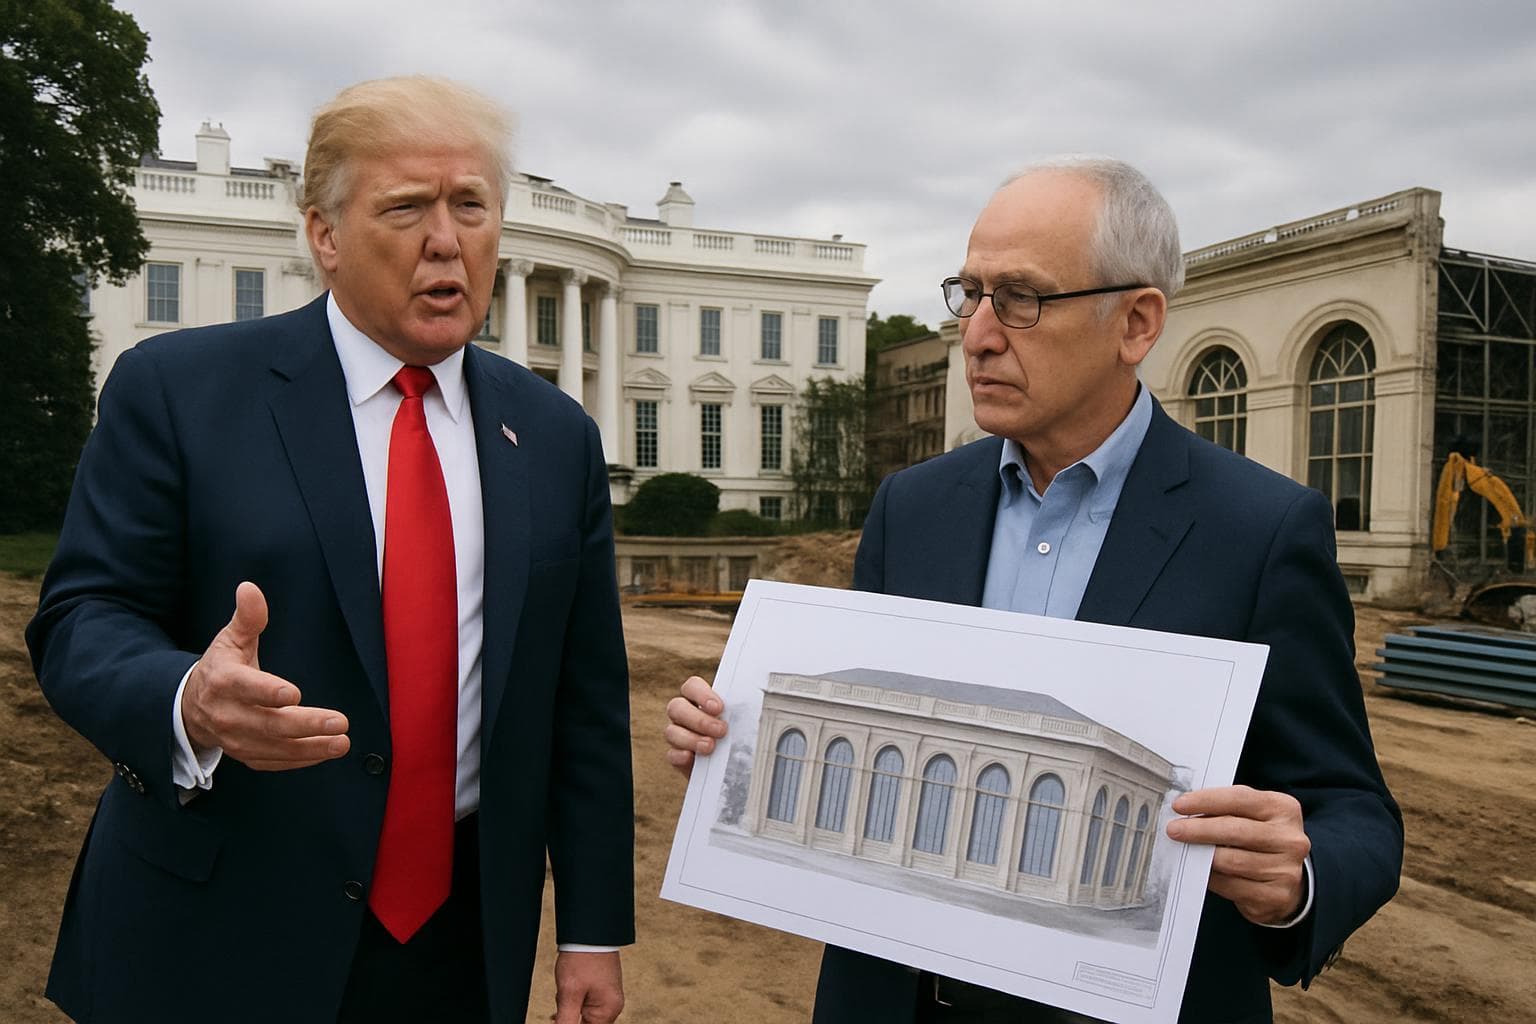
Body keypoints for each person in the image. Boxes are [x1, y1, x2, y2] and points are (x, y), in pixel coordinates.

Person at [665, 157, 1402, 1023]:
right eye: (968, 292)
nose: (977, 333)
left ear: (1135, 322)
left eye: (1019, 298)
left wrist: (1298, 877)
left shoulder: (1261, 532)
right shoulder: (915, 507)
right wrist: (729, 737)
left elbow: (1354, 808)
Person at [27, 77, 632, 1024]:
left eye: (471, 205)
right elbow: (79, 620)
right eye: (406, 208)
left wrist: (592, 931)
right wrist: (189, 697)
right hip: (218, 928)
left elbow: (584, 699)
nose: (448, 239)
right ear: (324, 235)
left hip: (459, 943)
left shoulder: (555, 436)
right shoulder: (179, 391)